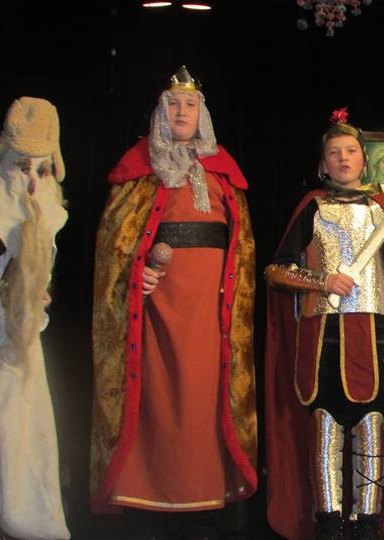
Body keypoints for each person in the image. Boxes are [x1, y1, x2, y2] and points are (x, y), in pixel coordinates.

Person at [91, 66, 258, 539]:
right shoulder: (138, 170)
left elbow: (242, 246)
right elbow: (115, 244)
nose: (182, 113)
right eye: (173, 105)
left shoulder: (224, 172)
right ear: (160, 113)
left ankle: (202, 506)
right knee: (156, 401)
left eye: (190, 105)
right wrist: (133, 275)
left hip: (209, 310)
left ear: (202, 114)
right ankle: (147, 505)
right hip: (156, 309)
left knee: (204, 401)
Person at [264, 108, 384, 540]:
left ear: (363, 159)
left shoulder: (382, 210)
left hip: (375, 335)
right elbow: (276, 271)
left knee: (372, 423)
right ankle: (329, 524)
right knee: (326, 423)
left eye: (351, 150)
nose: (343, 158)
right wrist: (322, 280)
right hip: (323, 338)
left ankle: (369, 524)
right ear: (323, 163)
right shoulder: (311, 209)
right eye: (334, 152)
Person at [0, 97, 70, 540]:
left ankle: (13, 519)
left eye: (42, 169)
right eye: (22, 167)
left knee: (21, 429)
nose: (32, 180)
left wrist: (35, 295)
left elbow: (39, 276)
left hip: (18, 340)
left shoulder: (48, 208)